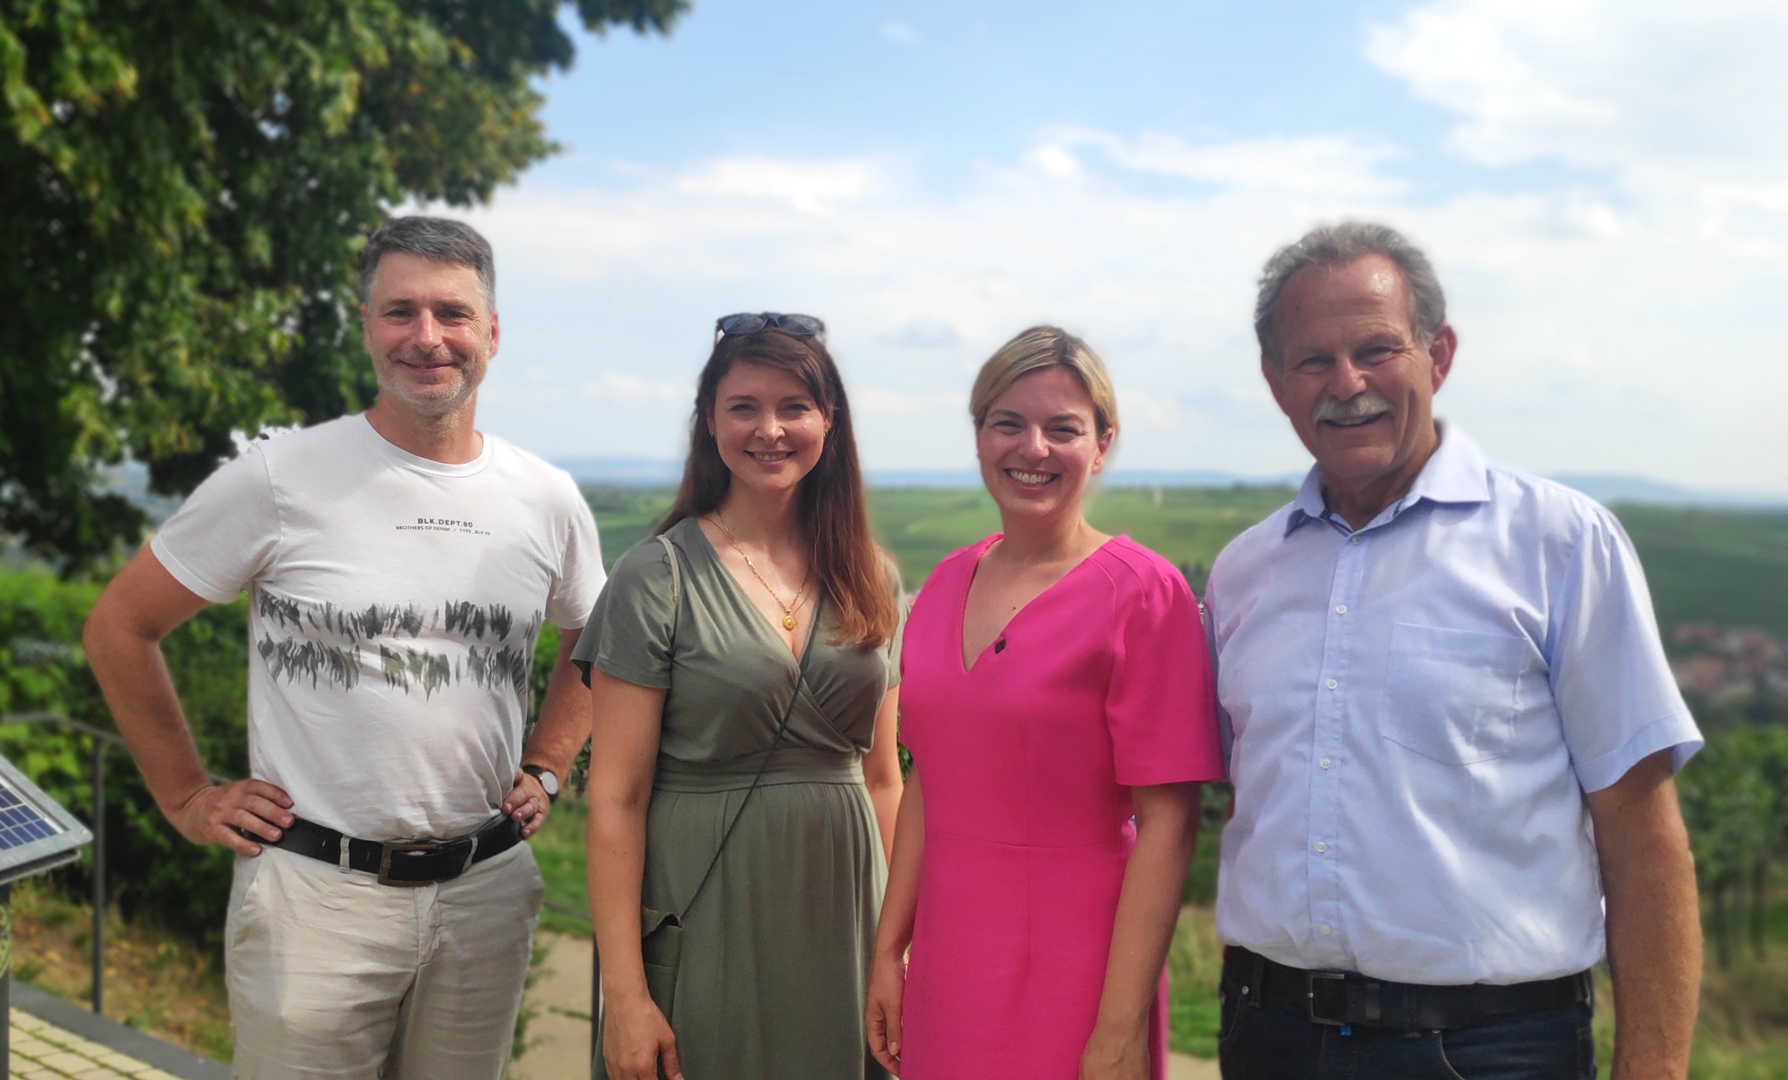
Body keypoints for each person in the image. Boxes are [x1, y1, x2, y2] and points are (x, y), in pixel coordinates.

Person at [81, 216, 605, 1079]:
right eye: (400, 311)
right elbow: (120, 626)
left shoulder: (545, 497)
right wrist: (185, 796)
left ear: (493, 333)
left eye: (453, 313)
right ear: (366, 327)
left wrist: (548, 761)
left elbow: (596, 634)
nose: (427, 337)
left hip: (485, 892)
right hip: (315, 897)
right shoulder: (280, 476)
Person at [1208, 221, 1703, 1079]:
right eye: (1313, 360)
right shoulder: (1245, 571)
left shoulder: (1559, 543)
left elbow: (1644, 835)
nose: (1348, 384)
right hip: (1270, 1036)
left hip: (1491, 1051)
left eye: (1376, 349)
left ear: (1437, 356)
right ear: (1275, 383)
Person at [867, 326, 1224, 1080]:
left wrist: (1119, 1031)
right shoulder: (940, 588)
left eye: (1063, 428)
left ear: (1101, 445)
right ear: (979, 436)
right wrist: (889, 952)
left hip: (1082, 970)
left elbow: (1170, 820)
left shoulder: (1144, 594)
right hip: (948, 960)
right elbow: (931, 779)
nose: (1033, 448)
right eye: (1009, 423)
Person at [577, 313, 905, 1080]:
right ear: (709, 421)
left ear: (830, 420)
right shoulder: (655, 576)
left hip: (846, 913)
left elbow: (884, 777)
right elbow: (617, 798)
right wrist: (624, 995)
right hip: (705, 909)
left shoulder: (873, 576)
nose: (771, 429)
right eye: (744, 406)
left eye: (795, 406)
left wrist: (900, 945)